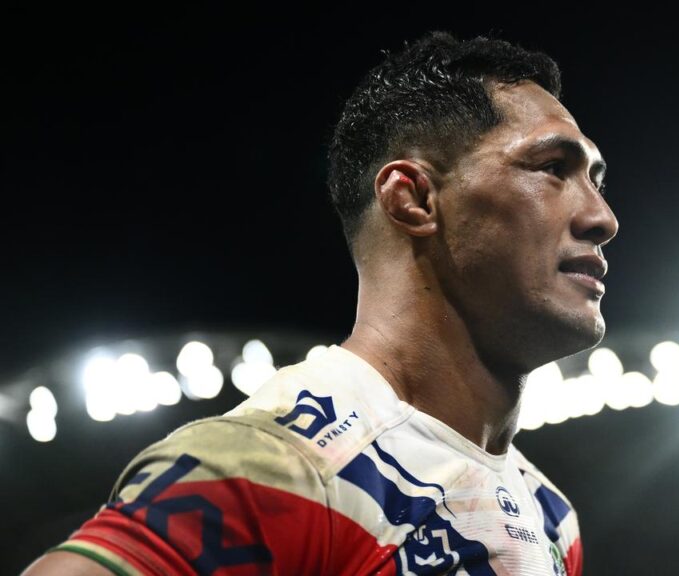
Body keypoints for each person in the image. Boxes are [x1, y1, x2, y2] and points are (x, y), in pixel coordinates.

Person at [24, 30, 617, 576]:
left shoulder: (552, 517)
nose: (602, 218)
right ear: (414, 199)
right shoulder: (284, 467)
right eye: (551, 168)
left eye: (596, 179)